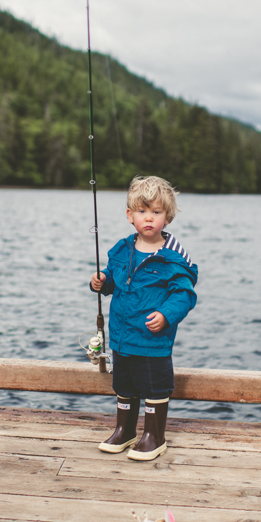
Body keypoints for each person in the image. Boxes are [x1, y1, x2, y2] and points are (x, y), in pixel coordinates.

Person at [90, 175, 198, 461]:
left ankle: (154, 436)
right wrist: (101, 282)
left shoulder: (173, 257)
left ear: (168, 217)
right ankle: (124, 431)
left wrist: (165, 314)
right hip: (122, 337)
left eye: (156, 212)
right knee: (123, 385)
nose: (148, 218)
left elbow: (184, 295)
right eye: (142, 211)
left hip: (153, 340)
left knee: (155, 386)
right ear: (130, 215)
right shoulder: (122, 249)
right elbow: (112, 280)